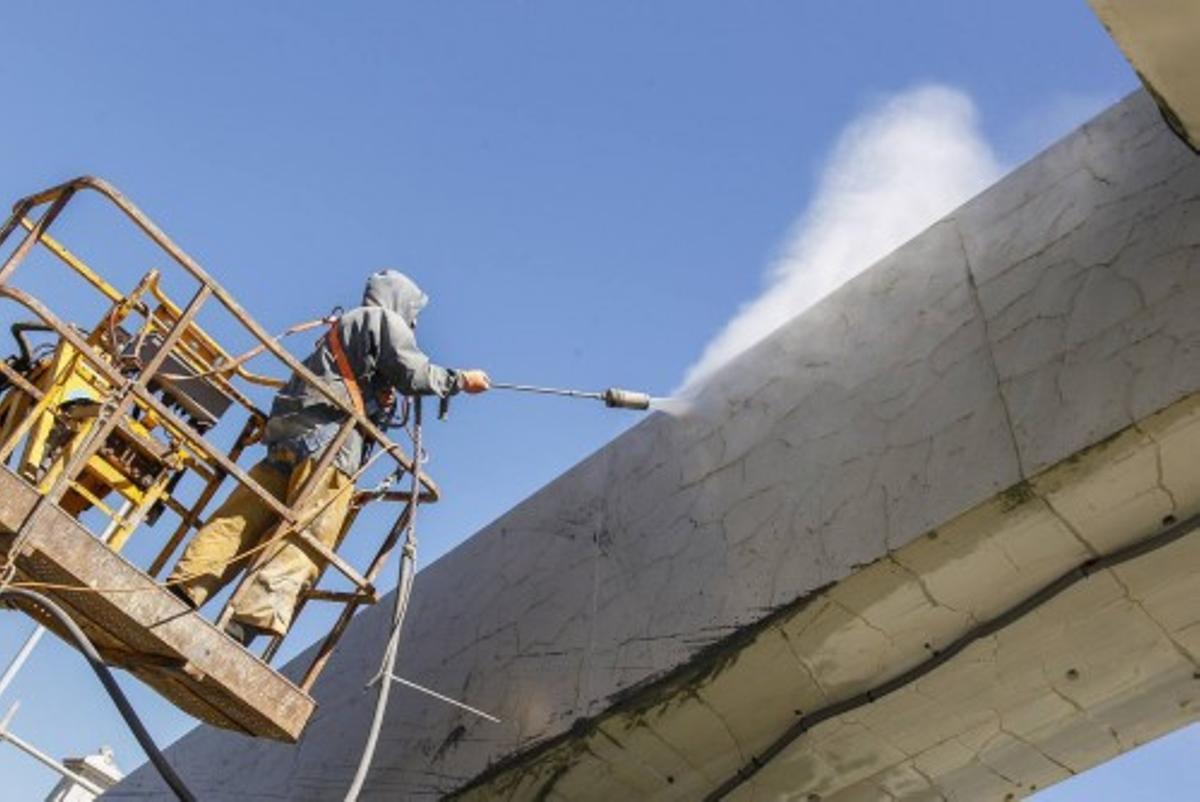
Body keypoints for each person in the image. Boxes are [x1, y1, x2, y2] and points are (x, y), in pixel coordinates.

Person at [168, 270, 490, 645]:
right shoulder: (386, 321)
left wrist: (377, 399)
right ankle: (246, 622)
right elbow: (412, 375)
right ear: (401, 301)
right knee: (310, 530)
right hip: (328, 445)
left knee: (245, 514)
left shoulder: (345, 326)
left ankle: (185, 587)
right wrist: (461, 380)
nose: (414, 322)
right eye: (414, 313)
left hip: (288, 435)